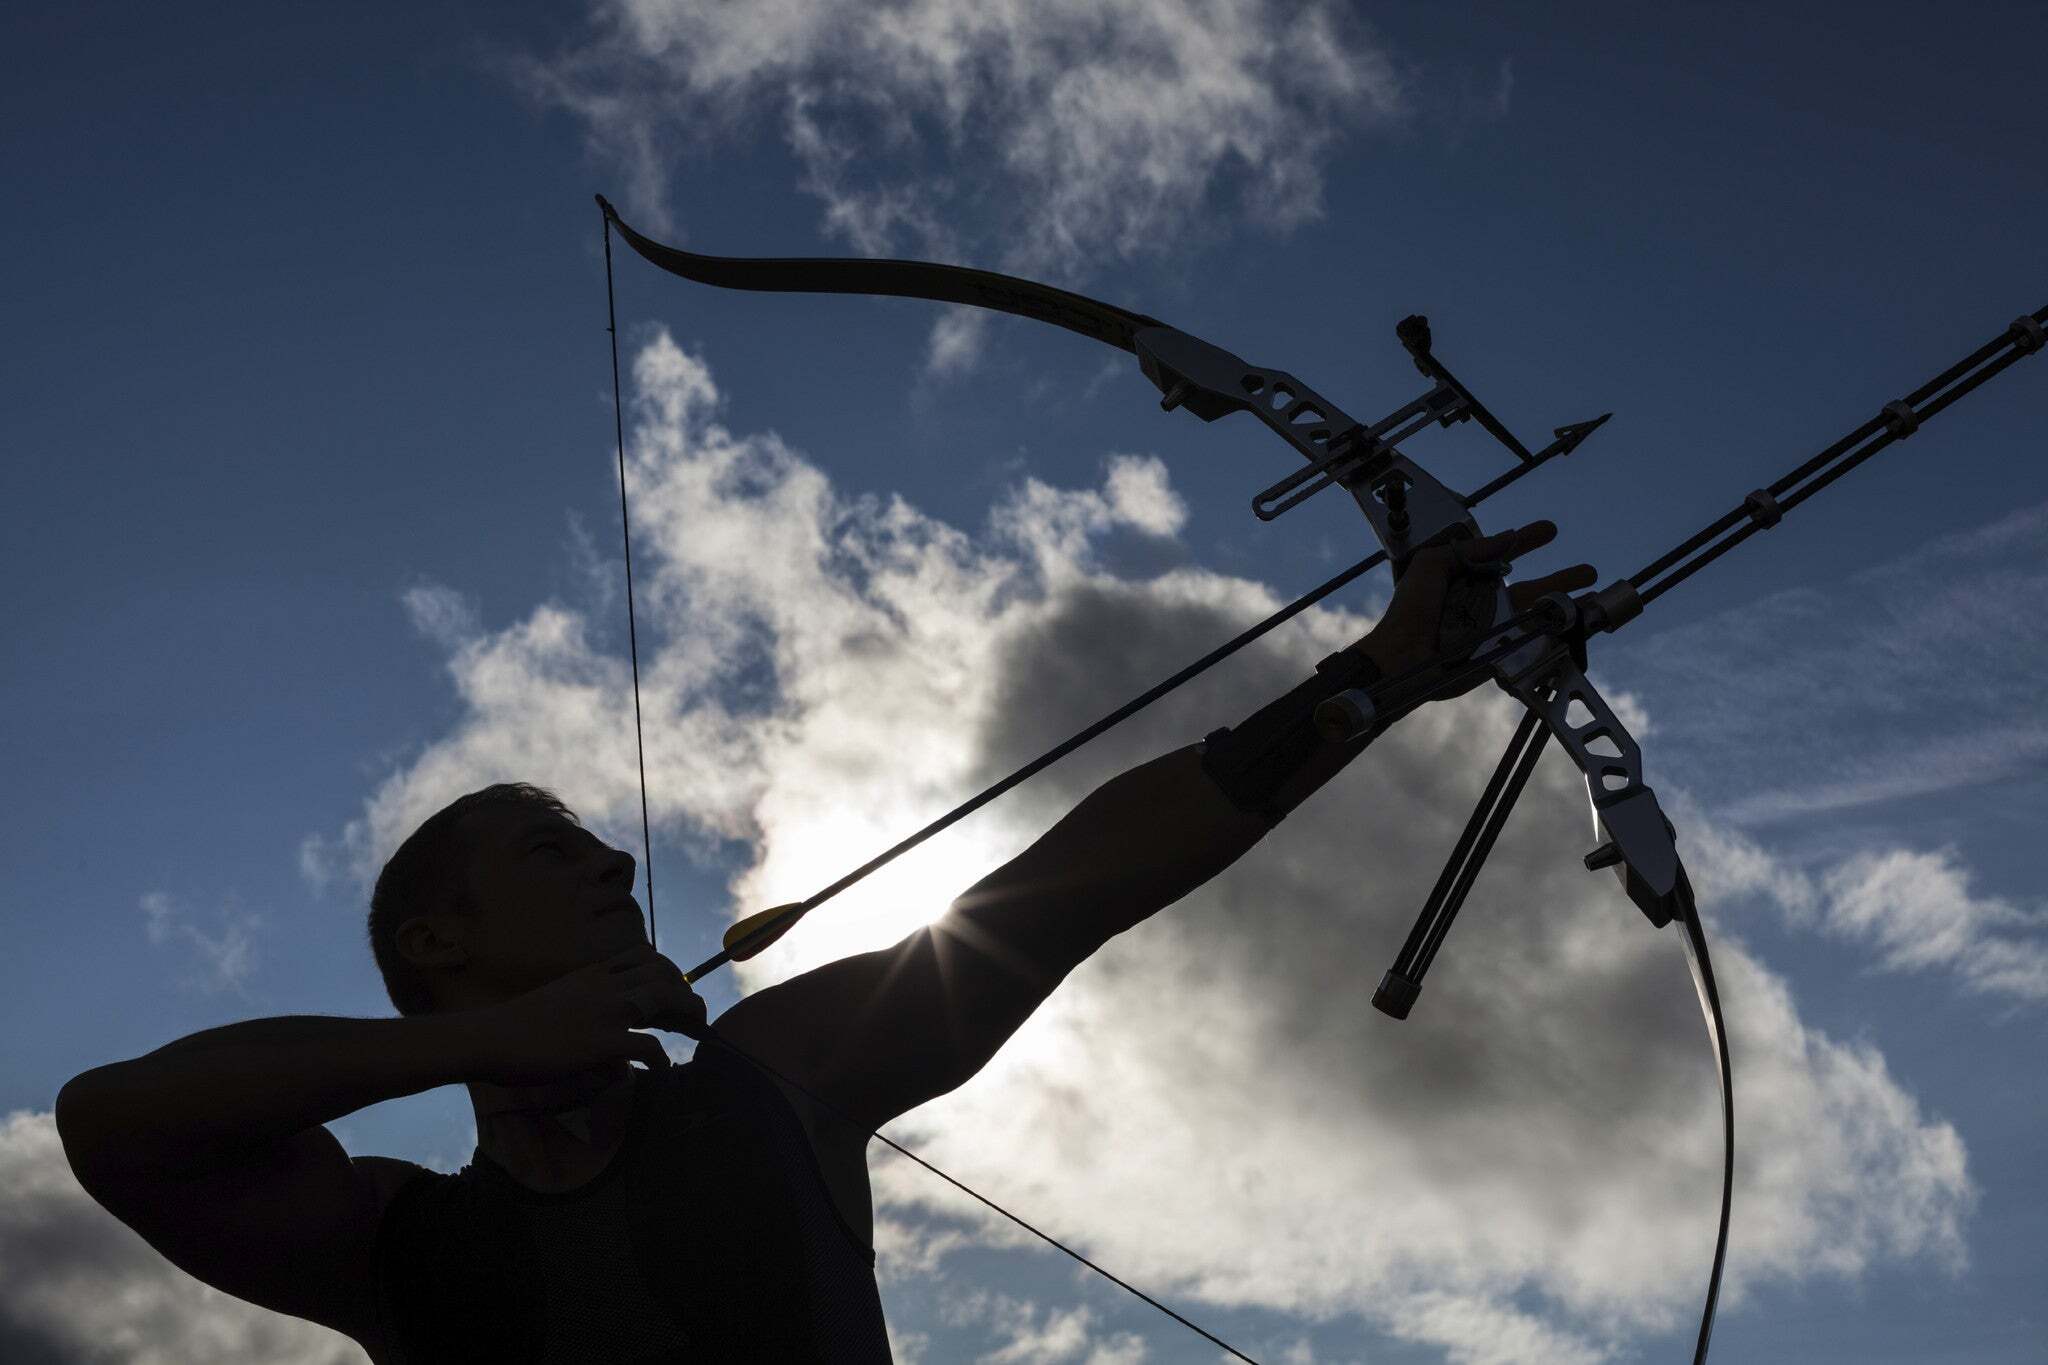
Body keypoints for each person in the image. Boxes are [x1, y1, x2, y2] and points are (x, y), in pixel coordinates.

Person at [54, 523, 1591, 1362]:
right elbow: (111, 1123)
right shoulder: (398, 1245)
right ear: (436, 937)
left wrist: (1374, 675)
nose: (614, 860)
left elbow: (1067, 887)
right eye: (550, 849)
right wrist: (491, 1044)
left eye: (599, 844)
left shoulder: (770, 1076)